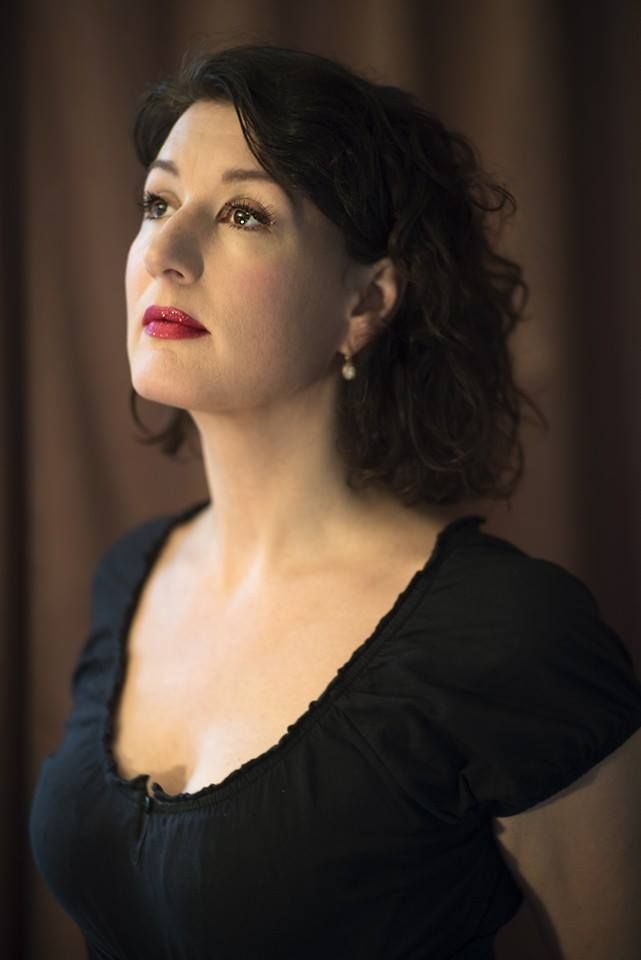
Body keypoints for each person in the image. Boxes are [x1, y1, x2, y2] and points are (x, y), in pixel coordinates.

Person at [29, 42, 641, 960]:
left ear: (365, 303)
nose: (164, 251)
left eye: (243, 212)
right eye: (157, 202)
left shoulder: (509, 634)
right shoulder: (129, 578)